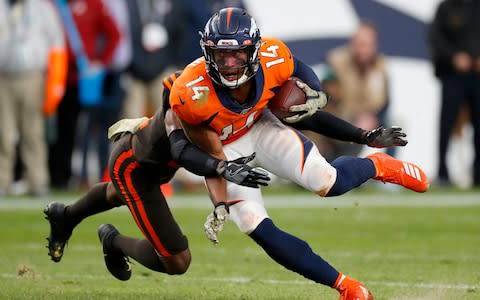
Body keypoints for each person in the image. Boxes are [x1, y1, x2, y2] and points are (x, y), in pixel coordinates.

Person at [169, 8, 430, 300]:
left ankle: (377, 166)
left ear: (254, 50)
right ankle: (345, 286)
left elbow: (302, 78)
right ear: (208, 52)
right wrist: (220, 187)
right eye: (221, 55)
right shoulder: (190, 93)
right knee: (253, 224)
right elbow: (186, 149)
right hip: (225, 147)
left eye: (239, 54)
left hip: (261, 124)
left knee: (327, 181)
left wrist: (326, 101)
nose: (230, 64)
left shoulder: (273, 57)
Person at [44, 76, 270, 281]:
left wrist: (220, 203)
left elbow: (213, 157)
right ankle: (113, 241)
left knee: (116, 193)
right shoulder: (190, 90)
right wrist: (222, 168)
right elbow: (184, 151)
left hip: (155, 162)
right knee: (178, 260)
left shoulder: (233, 94)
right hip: (135, 167)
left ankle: (65, 216)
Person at [49, 0, 121, 189]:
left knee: (90, 129)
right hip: (57, 76)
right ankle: (60, 176)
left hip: (85, 79)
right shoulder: (52, 5)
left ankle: (91, 176)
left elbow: (114, 34)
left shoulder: (93, 4)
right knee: (62, 129)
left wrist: (100, 63)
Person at [0, 0, 67, 197]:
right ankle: (2, 181)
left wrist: (55, 82)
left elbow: (57, 43)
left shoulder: (43, 7)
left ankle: (37, 181)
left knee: (34, 133)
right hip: (3, 77)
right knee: (3, 133)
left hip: (35, 77)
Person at [429, 0, 480, 187]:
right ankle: (443, 172)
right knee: (446, 125)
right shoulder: (445, 8)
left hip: (477, 74)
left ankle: (478, 174)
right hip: (452, 75)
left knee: (479, 126)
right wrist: (453, 57)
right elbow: (436, 38)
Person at [325, 21, 392, 159]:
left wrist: (373, 118)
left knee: (394, 130)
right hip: (341, 114)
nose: (362, 49)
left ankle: (391, 173)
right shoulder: (336, 61)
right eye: (359, 44)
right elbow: (326, 98)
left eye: (367, 45)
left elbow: (385, 102)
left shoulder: (381, 66)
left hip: (368, 117)